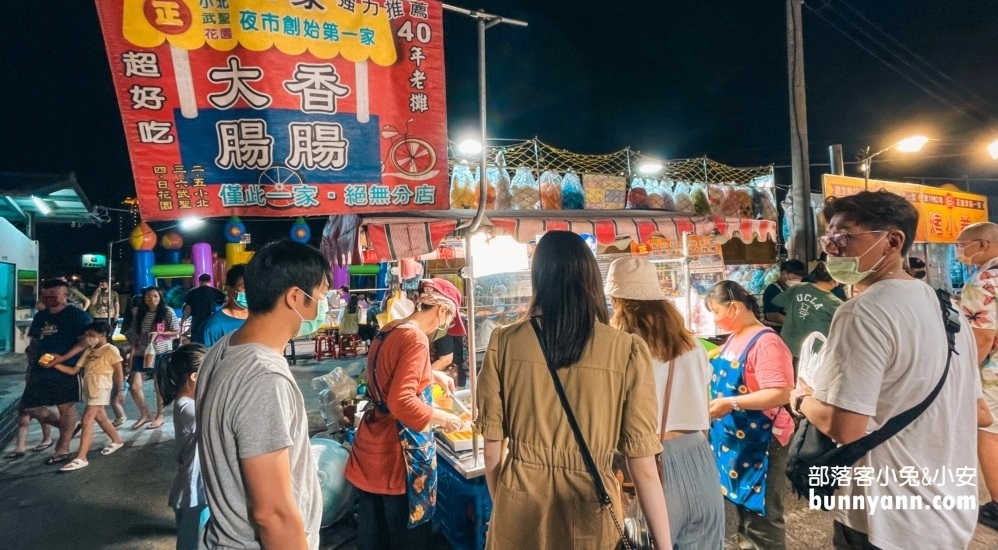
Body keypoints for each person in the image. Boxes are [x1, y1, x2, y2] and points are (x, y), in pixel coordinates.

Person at [791, 191, 981, 549]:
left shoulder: (862, 311)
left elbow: (845, 428)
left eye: (843, 236)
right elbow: (977, 409)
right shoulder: (949, 311)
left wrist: (802, 400)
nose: (831, 249)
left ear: (893, 241)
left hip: (888, 520)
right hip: (950, 513)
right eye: (828, 238)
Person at [476, 231, 671, 549]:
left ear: (538, 279)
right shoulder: (627, 350)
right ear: (592, 280)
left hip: (519, 507)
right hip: (588, 512)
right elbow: (644, 466)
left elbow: (492, 449)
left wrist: (509, 501)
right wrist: (665, 545)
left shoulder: (504, 341)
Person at [197, 240, 326, 549]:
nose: (325, 304)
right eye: (322, 294)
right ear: (296, 297)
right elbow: (272, 514)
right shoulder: (263, 378)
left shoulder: (225, 347)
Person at [605, 257, 724, 549]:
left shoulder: (619, 348)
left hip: (650, 465)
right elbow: (704, 398)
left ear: (617, 299)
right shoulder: (693, 345)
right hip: (700, 460)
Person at [345, 278, 464, 549]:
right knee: (405, 539)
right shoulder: (416, 339)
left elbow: (386, 371)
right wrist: (445, 418)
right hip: (397, 457)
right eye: (448, 320)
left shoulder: (391, 329)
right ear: (442, 311)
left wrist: (432, 375)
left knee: (374, 537)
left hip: (370, 449)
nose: (443, 328)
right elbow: (401, 402)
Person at [705, 280, 794, 550]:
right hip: (736, 440)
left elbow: (780, 393)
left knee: (762, 517)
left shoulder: (767, 342)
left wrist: (731, 402)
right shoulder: (736, 336)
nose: (716, 319)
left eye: (716, 312)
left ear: (733, 308)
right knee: (744, 512)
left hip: (762, 441)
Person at [15, 280, 92, 464]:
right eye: (45, 295)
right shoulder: (40, 316)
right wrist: (30, 366)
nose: (49, 298)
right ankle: (68, 427)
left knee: (65, 407)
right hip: (40, 368)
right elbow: (34, 343)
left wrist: (62, 358)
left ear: (66, 295)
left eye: (54, 295)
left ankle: (62, 447)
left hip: (66, 368)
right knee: (30, 407)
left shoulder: (77, 315)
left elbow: (85, 342)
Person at [954, 222, 998, 531]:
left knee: (990, 434)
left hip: (993, 373)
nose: (959, 253)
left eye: (961, 245)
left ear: (982, 245)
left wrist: (962, 374)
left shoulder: (982, 282)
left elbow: (981, 338)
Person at [43, 321, 125, 471]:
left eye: (92, 335)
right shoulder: (89, 350)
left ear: (103, 335)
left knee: (87, 420)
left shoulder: (111, 350)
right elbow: (74, 370)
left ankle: (81, 457)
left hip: (101, 388)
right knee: (100, 417)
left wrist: (120, 390)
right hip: (89, 389)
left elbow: (119, 371)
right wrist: (54, 364)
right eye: (87, 335)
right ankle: (117, 440)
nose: (88, 338)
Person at [158, 343, 209, 550]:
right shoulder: (187, 407)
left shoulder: (191, 402)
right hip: (196, 478)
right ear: (194, 377)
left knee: (193, 523)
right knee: (192, 535)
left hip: (194, 474)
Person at [771, 262, 843, 368]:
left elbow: (777, 302)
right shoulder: (835, 303)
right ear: (836, 280)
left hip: (787, 346)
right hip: (813, 353)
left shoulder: (798, 288)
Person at [127, 287, 180, 430]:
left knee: (158, 386)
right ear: (144, 298)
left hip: (160, 351)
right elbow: (136, 334)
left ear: (160, 297)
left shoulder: (167, 311)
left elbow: (176, 331)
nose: (152, 299)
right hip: (142, 352)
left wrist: (159, 334)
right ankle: (145, 413)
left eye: (155, 296)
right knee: (134, 386)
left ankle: (160, 416)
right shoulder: (141, 313)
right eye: (149, 296)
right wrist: (132, 354)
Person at [199, 265, 248, 347]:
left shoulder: (262, 318)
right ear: (229, 289)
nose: (249, 291)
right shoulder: (214, 326)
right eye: (243, 287)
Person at [762, 259, 806, 328]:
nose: (796, 281)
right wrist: (795, 323)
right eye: (794, 278)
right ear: (783, 274)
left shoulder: (795, 290)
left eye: (799, 279)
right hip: (779, 330)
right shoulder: (773, 290)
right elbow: (772, 315)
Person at [182, 274, 225, 344]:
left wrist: (182, 321)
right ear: (210, 281)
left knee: (196, 344)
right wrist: (221, 311)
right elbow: (227, 299)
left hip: (196, 321)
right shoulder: (214, 291)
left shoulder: (192, 292)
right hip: (210, 320)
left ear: (199, 281)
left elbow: (187, 310)